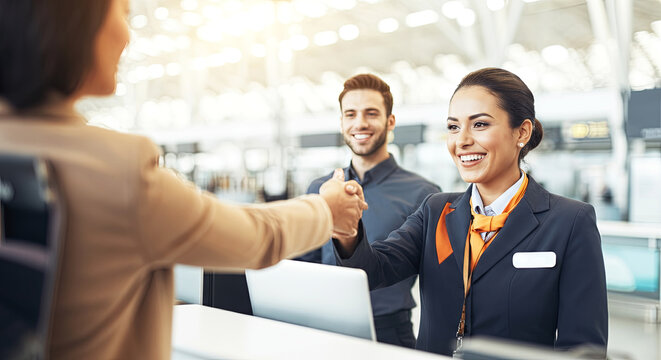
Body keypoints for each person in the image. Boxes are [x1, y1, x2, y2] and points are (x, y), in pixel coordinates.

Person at [0, 0, 368, 359]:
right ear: (74, 25)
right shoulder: (118, 170)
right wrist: (327, 209)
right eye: (123, 13)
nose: (127, 36)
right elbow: (254, 237)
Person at [332, 68, 608, 356]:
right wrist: (346, 228)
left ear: (522, 132)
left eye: (480, 125)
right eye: (453, 127)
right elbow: (373, 271)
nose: (461, 141)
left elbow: (584, 348)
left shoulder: (569, 221)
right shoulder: (436, 210)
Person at [297, 74, 440, 348]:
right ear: (341, 123)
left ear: (390, 121)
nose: (360, 123)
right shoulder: (320, 187)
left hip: (388, 333)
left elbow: (439, 280)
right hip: (323, 328)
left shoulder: (424, 193)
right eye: (350, 114)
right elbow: (305, 263)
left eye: (371, 113)